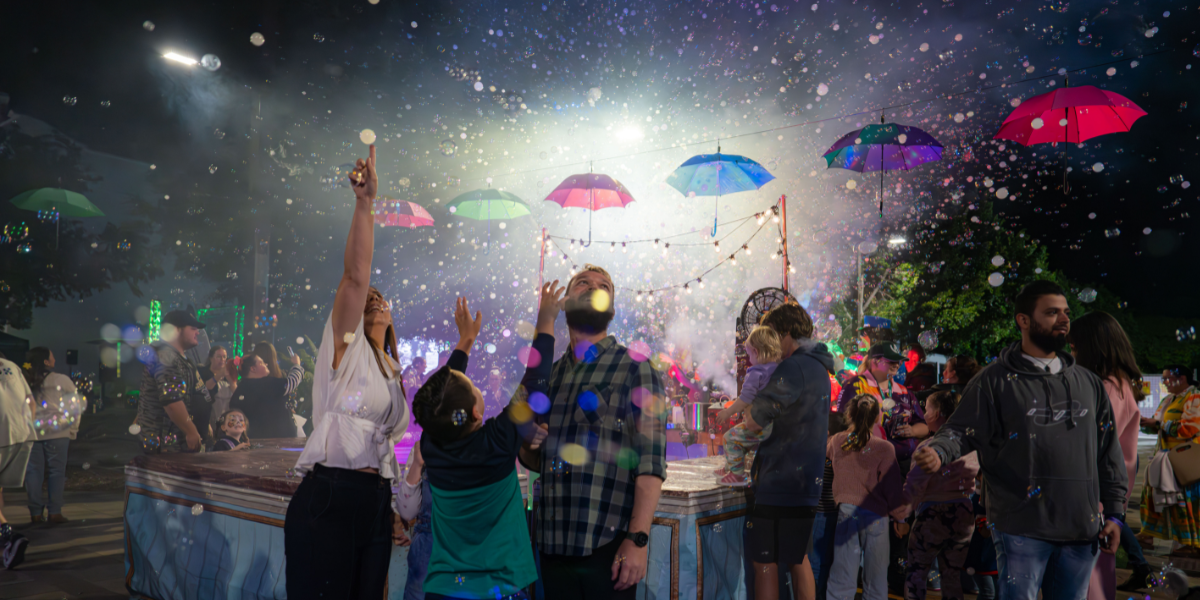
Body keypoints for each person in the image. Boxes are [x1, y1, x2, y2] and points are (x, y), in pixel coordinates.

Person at [914, 280, 1128, 600]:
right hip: (1020, 529)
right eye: (1052, 312)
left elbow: (1108, 452)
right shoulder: (993, 380)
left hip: (1081, 530)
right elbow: (960, 430)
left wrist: (1114, 515)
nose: (1064, 319)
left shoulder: (1088, 383)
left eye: (1066, 312)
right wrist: (938, 451)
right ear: (1023, 321)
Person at [286, 145, 418, 599]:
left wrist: (392, 507)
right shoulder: (347, 351)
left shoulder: (390, 371)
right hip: (332, 493)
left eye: (383, 298)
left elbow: (384, 451)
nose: (375, 300)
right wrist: (365, 204)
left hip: (373, 498)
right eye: (369, 299)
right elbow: (356, 276)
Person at [517, 265, 667, 600]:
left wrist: (638, 538)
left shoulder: (635, 367)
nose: (591, 287)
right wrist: (528, 442)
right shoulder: (549, 376)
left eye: (603, 286)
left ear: (611, 310)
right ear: (565, 302)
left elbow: (651, 462)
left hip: (607, 546)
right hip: (553, 543)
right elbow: (531, 457)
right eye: (582, 282)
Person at [411, 290, 553, 600]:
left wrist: (466, 340)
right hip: (498, 588)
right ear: (477, 412)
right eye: (474, 387)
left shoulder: (432, 442)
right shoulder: (498, 441)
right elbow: (535, 379)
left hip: (443, 589)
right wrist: (546, 321)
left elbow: (441, 398)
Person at [741, 302, 836, 600]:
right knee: (798, 559)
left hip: (779, 480)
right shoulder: (819, 366)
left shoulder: (793, 366)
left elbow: (754, 420)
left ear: (786, 333)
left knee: (765, 564)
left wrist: (747, 413)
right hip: (805, 481)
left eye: (773, 336)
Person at [1067, 311, 1150, 596]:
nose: (1070, 352)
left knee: (1092, 580)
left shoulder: (1109, 387)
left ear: (1091, 347)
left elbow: (1088, 441)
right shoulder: (1116, 383)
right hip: (1101, 495)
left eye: (1074, 346)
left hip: (1096, 497)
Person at [836, 342, 927, 592]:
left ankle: (894, 582)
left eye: (899, 362)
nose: (897, 365)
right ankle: (862, 583)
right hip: (865, 469)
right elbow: (840, 424)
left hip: (900, 466)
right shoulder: (855, 386)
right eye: (891, 361)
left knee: (898, 530)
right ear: (875, 361)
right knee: (867, 529)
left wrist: (911, 429)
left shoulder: (903, 391)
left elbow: (924, 425)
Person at [826, 394, 910, 600]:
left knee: (842, 576)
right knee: (877, 578)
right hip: (877, 517)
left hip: (846, 513)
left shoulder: (837, 441)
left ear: (849, 414)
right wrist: (901, 518)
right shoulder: (884, 447)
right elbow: (893, 489)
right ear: (876, 418)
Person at [901, 390, 979, 600]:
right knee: (952, 575)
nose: (924, 415)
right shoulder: (970, 448)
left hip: (932, 514)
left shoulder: (929, 448)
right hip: (964, 514)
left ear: (936, 415)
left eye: (926, 410)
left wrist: (901, 516)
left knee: (917, 571)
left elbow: (914, 484)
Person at [1137, 366, 1200, 556]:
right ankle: (1148, 533)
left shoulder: (1194, 397)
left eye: (1167, 378)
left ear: (1181, 379)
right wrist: (1146, 424)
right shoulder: (1169, 399)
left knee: (1185, 501)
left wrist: (1158, 424)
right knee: (1154, 496)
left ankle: (1191, 543)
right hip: (1166, 458)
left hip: (1185, 459)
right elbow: (1158, 425)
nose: (1164, 382)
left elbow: (1189, 428)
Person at [713, 326, 782, 486]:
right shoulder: (779, 369)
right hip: (776, 423)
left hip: (761, 425)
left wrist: (727, 412)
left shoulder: (756, 373)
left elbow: (745, 399)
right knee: (739, 439)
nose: (749, 357)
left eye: (749, 353)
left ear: (756, 352)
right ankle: (731, 466)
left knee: (729, 438)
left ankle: (736, 475)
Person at [20, 348, 83, 524]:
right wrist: (73, 429)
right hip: (58, 432)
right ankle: (55, 512)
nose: (55, 358)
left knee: (33, 472)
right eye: (52, 355)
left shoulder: (25, 380)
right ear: (46, 362)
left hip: (33, 431)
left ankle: (35, 514)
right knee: (57, 472)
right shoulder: (61, 379)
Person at [136, 310, 208, 453]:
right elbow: (171, 401)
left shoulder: (179, 358)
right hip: (166, 447)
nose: (198, 332)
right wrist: (191, 431)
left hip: (176, 444)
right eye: (193, 328)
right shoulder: (165, 357)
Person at [0, 355, 35, 568]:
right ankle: (7, 547)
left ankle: (9, 539)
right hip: (21, 435)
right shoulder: (11, 366)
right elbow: (30, 403)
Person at [812, 411, 848, 600]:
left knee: (816, 563)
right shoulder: (841, 452)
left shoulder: (823, 454)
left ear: (825, 432)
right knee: (826, 561)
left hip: (820, 514)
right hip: (834, 512)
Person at [230, 350, 304, 438]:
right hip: (279, 441)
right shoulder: (267, 384)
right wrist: (297, 365)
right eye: (261, 363)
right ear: (253, 369)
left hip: (254, 441)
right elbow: (292, 382)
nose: (266, 364)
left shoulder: (240, 389)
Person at [398, 443, 431, 600]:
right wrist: (418, 463)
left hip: (466, 550)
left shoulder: (480, 448)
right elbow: (407, 511)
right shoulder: (424, 448)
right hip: (427, 551)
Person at [199, 345, 236, 440]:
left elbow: (236, 393)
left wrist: (231, 380)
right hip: (209, 416)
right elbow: (206, 388)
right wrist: (220, 374)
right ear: (211, 358)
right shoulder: (203, 372)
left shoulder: (229, 374)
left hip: (226, 417)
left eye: (224, 357)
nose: (222, 359)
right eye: (219, 357)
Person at [916, 355, 982, 405]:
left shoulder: (940, 394)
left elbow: (913, 397)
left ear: (952, 374)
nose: (943, 373)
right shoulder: (973, 395)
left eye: (946, 371)